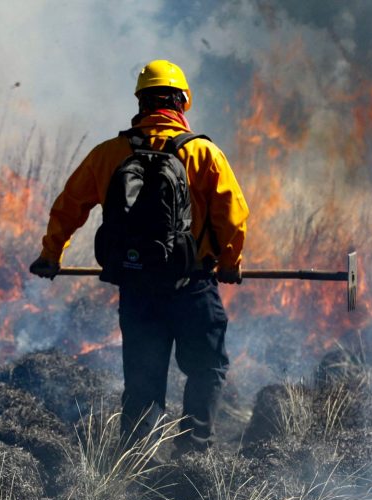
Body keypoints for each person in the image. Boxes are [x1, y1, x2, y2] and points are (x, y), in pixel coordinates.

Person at [30, 59, 249, 455]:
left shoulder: (109, 153)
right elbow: (233, 217)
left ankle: (133, 468)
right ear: (183, 102)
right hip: (192, 286)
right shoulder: (203, 154)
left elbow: (68, 207)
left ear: (141, 102)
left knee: (143, 383)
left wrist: (50, 255)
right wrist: (230, 264)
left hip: (137, 287)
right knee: (206, 369)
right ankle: (191, 456)